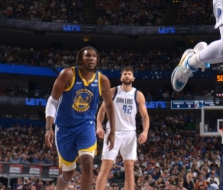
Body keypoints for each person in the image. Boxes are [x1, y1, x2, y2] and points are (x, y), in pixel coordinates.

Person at [45, 47, 115, 190]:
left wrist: (112, 130)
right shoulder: (68, 74)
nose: (91, 58)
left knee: (88, 165)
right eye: (87, 55)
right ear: (80, 59)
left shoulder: (102, 80)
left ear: (98, 60)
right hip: (64, 128)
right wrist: (48, 128)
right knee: (68, 173)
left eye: (94, 56)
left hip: (86, 126)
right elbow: (53, 101)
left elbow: (109, 105)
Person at [96, 66, 150, 190]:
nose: (127, 75)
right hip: (112, 132)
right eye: (125, 73)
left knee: (129, 168)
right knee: (106, 166)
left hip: (130, 133)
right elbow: (101, 111)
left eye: (129, 74)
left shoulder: (138, 95)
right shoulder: (113, 91)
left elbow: (145, 116)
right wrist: (99, 126)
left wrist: (145, 132)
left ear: (133, 78)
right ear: (121, 77)